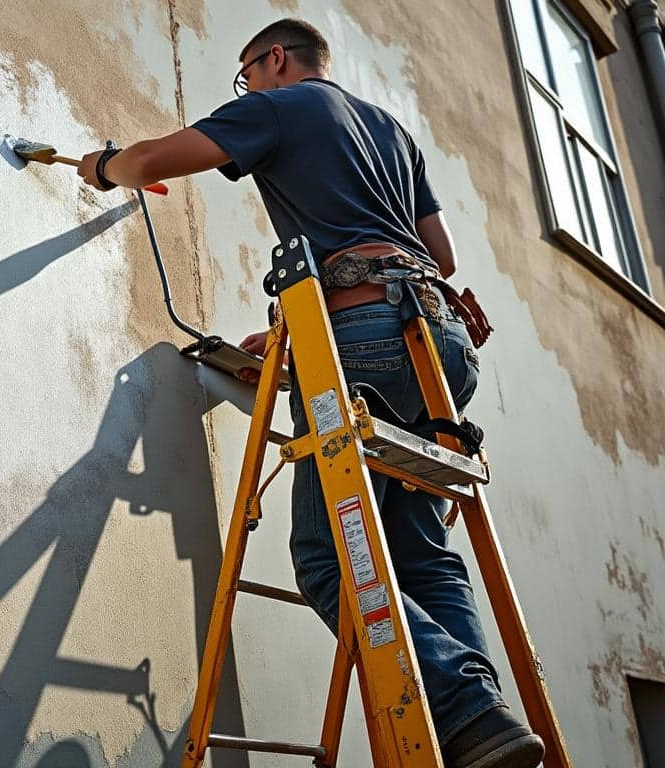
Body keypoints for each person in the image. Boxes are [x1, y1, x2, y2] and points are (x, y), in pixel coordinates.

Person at [75, 17, 538, 768]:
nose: (246, 89)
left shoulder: (281, 106)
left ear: (277, 59)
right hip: (437, 342)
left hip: (367, 341)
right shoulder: (389, 129)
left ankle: (457, 705)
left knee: (328, 560)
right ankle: (479, 722)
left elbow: (157, 158)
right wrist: (299, 328)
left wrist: (102, 167)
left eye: (247, 75)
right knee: (421, 555)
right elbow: (441, 255)